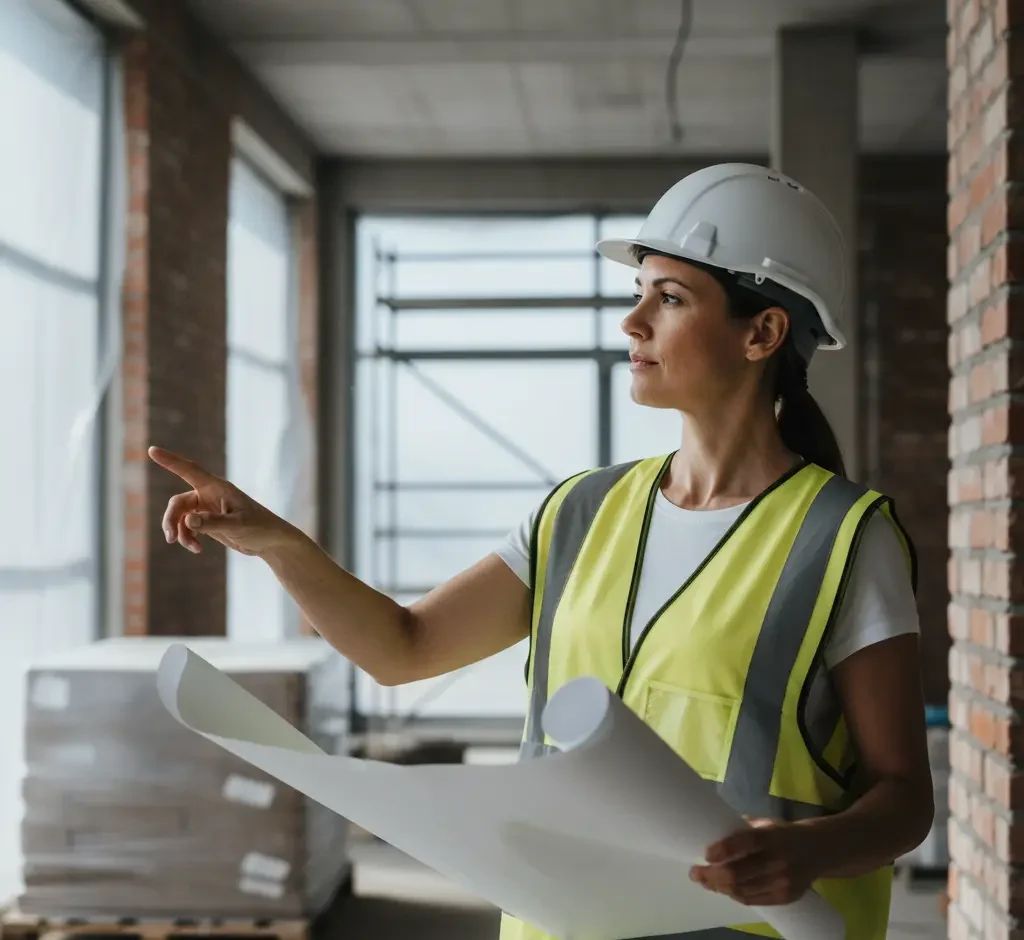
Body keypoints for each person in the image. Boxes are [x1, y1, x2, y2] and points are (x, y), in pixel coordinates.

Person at [149, 163, 933, 940]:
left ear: (762, 333)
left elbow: (902, 796)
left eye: (670, 298)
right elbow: (402, 647)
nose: (633, 324)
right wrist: (277, 543)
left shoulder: (845, 539)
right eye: (639, 296)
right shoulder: (579, 513)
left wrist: (808, 850)